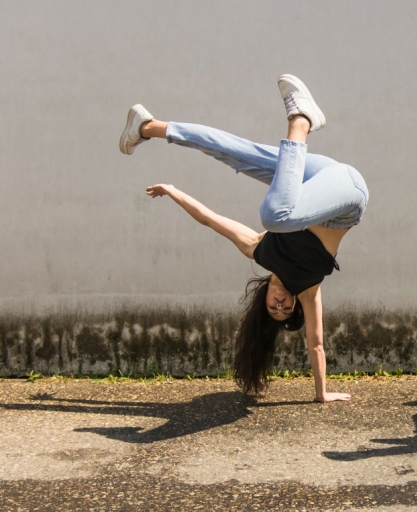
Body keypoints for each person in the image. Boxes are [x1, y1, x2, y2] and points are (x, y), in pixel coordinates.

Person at [119, 75, 368, 402]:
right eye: (285, 309)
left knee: (233, 153)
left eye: (273, 309)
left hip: (322, 177)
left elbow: (209, 219)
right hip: (348, 198)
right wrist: (322, 393)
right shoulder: (308, 290)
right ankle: (301, 120)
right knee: (274, 217)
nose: (280, 305)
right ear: (295, 304)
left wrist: (173, 191)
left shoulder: (257, 249)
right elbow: (317, 344)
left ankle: (148, 127)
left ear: (264, 300)